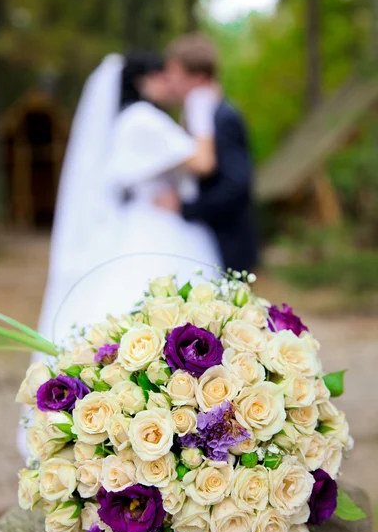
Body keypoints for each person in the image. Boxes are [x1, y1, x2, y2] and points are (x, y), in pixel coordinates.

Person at [36, 52, 222, 345]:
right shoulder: (143, 120)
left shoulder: (128, 121)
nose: (169, 82)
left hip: (141, 220)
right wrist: (201, 111)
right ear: (143, 81)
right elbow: (203, 161)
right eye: (161, 75)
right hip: (158, 226)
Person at [156, 33, 258, 273]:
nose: (170, 81)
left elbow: (237, 186)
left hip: (226, 245)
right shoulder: (197, 115)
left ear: (199, 77)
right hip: (200, 240)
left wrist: (184, 208)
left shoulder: (223, 118)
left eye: (175, 74)